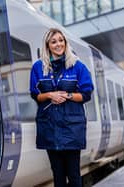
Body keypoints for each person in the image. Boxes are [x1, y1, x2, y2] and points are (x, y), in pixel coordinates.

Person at [29, 28, 94, 187]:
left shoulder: (78, 66)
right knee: (58, 175)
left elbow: (86, 94)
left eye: (61, 40)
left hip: (72, 127)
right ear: (48, 45)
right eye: (54, 42)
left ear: (65, 42)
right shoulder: (38, 67)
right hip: (49, 126)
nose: (58, 44)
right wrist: (50, 95)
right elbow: (35, 94)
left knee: (74, 175)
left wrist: (68, 96)